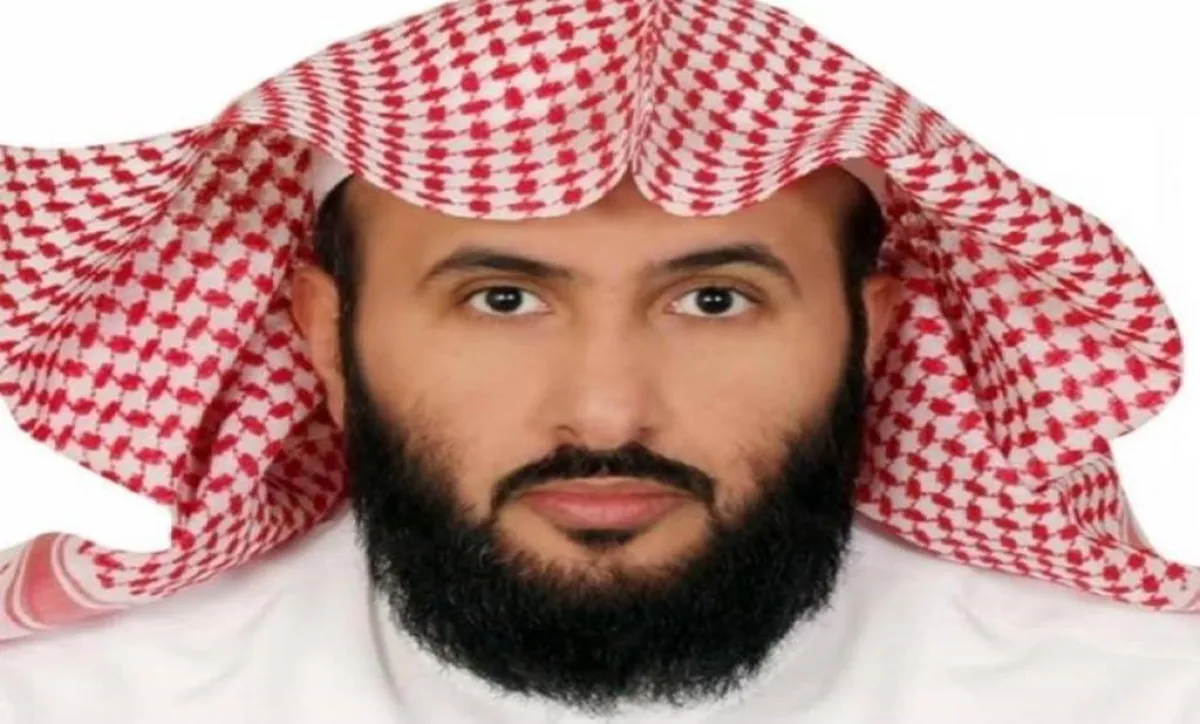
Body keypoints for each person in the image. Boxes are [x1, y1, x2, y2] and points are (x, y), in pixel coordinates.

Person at [0, 1, 1196, 721]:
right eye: (503, 298)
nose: (609, 411)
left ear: (871, 334)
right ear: (324, 336)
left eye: (714, 300)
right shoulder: (78, 702)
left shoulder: (1139, 695)